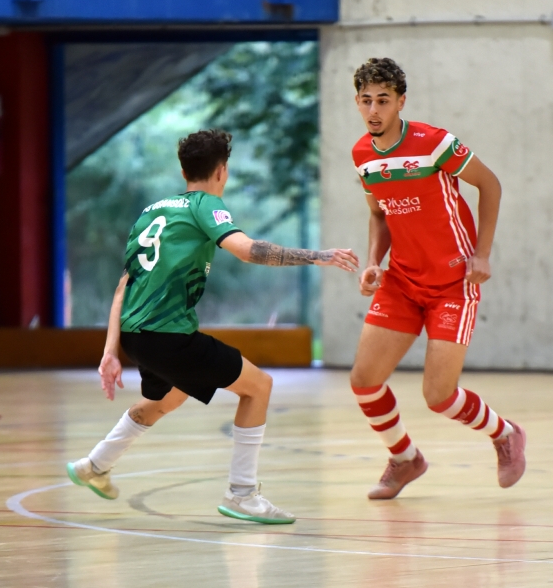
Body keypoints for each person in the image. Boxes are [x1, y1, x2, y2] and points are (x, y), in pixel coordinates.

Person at [67, 129, 359, 523]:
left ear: (183, 170)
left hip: (136, 337)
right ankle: (242, 494)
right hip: (168, 336)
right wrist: (319, 256)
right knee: (258, 387)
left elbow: (123, 285)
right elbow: (248, 250)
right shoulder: (206, 205)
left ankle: (95, 465)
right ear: (222, 171)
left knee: (166, 399)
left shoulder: (151, 212)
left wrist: (110, 352)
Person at [347, 58, 526, 500]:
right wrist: (373, 261)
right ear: (357, 102)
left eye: (383, 100)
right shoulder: (362, 155)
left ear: (401, 102)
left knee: (439, 396)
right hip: (402, 282)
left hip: (452, 283)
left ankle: (505, 434)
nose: (374, 110)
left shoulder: (435, 143)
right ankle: (406, 459)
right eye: (366, 100)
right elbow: (379, 214)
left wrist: (482, 254)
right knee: (364, 380)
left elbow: (491, 185)